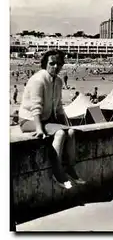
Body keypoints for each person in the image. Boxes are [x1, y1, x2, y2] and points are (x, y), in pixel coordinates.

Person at [18, 49, 85, 190]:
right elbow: (36, 107)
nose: (56, 67)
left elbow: (59, 107)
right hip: (28, 119)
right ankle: (57, 172)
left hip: (46, 119)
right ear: (45, 64)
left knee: (71, 132)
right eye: (52, 63)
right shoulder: (38, 80)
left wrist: (67, 126)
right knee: (60, 133)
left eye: (59, 64)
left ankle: (70, 168)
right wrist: (39, 129)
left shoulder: (59, 81)